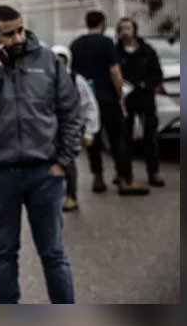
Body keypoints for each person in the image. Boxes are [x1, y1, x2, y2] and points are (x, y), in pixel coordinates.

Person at [0, 5, 80, 304]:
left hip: (45, 174)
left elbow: (70, 110)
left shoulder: (46, 59)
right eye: (9, 34)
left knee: (54, 254)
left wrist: (63, 162)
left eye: (20, 30)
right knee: (5, 252)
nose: (19, 37)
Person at [69, 11, 148, 196]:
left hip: (86, 100)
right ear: (103, 23)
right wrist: (120, 94)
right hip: (107, 98)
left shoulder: (76, 44)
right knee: (117, 139)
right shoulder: (106, 44)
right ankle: (124, 178)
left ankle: (98, 176)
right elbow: (115, 71)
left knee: (92, 138)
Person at [116, 18, 166, 187]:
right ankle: (124, 173)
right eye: (122, 28)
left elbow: (157, 74)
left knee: (149, 137)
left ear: (135, 30)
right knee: (124, 138)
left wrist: (146, 84)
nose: (125, 31)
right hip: (125, 99)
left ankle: (153, 172)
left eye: (128, 28)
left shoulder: (147, 51)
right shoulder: (116, 51)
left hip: (145, 98)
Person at [51, 45, 100, 212]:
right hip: (48, 131)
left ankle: (71, 196)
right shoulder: (44, 79)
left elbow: (89, 106)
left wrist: (89, 131)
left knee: (68, 161)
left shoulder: (76, 80)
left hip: (69, 129)